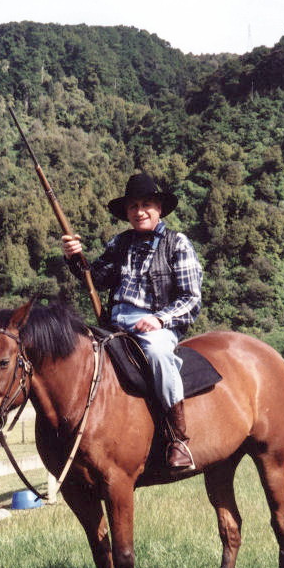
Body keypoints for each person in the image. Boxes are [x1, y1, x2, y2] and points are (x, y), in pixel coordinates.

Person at [62, 172, 203, 470]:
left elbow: (191, 299)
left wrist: (159, 319)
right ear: (127, 212)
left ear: (159, 208)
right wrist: (76, 258)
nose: (140, 211)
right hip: (114, 323)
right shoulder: (120, 242)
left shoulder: (177, 244)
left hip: (156, 326)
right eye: (133, 206)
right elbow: (97, 277)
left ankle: (178, 439)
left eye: (147, 204)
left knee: (158, 354)